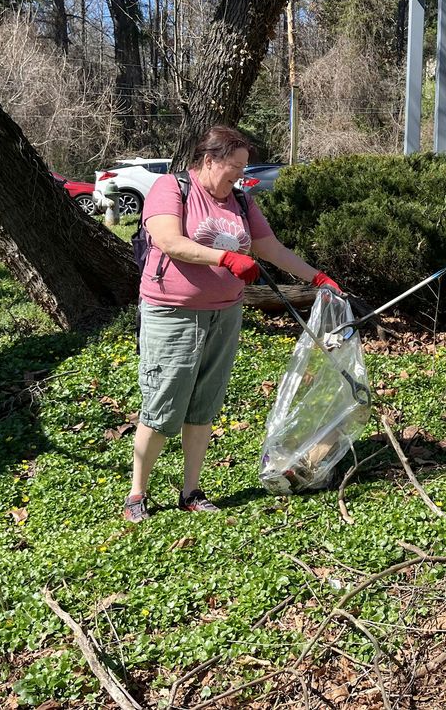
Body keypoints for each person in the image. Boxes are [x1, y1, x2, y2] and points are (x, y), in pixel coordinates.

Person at [123, 126, 341, 522]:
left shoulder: (240, 200)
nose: (240, 176)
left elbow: (269, 247)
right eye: (234, 166)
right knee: (162, 405)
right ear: (209, 160)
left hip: (225, 313)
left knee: (203, 407)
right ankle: (137, 493)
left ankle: (191, 491)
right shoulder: (171, 189)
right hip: (172, 313)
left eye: (244, 168)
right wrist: (224, 258)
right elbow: (170, 240)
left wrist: (315, 276)